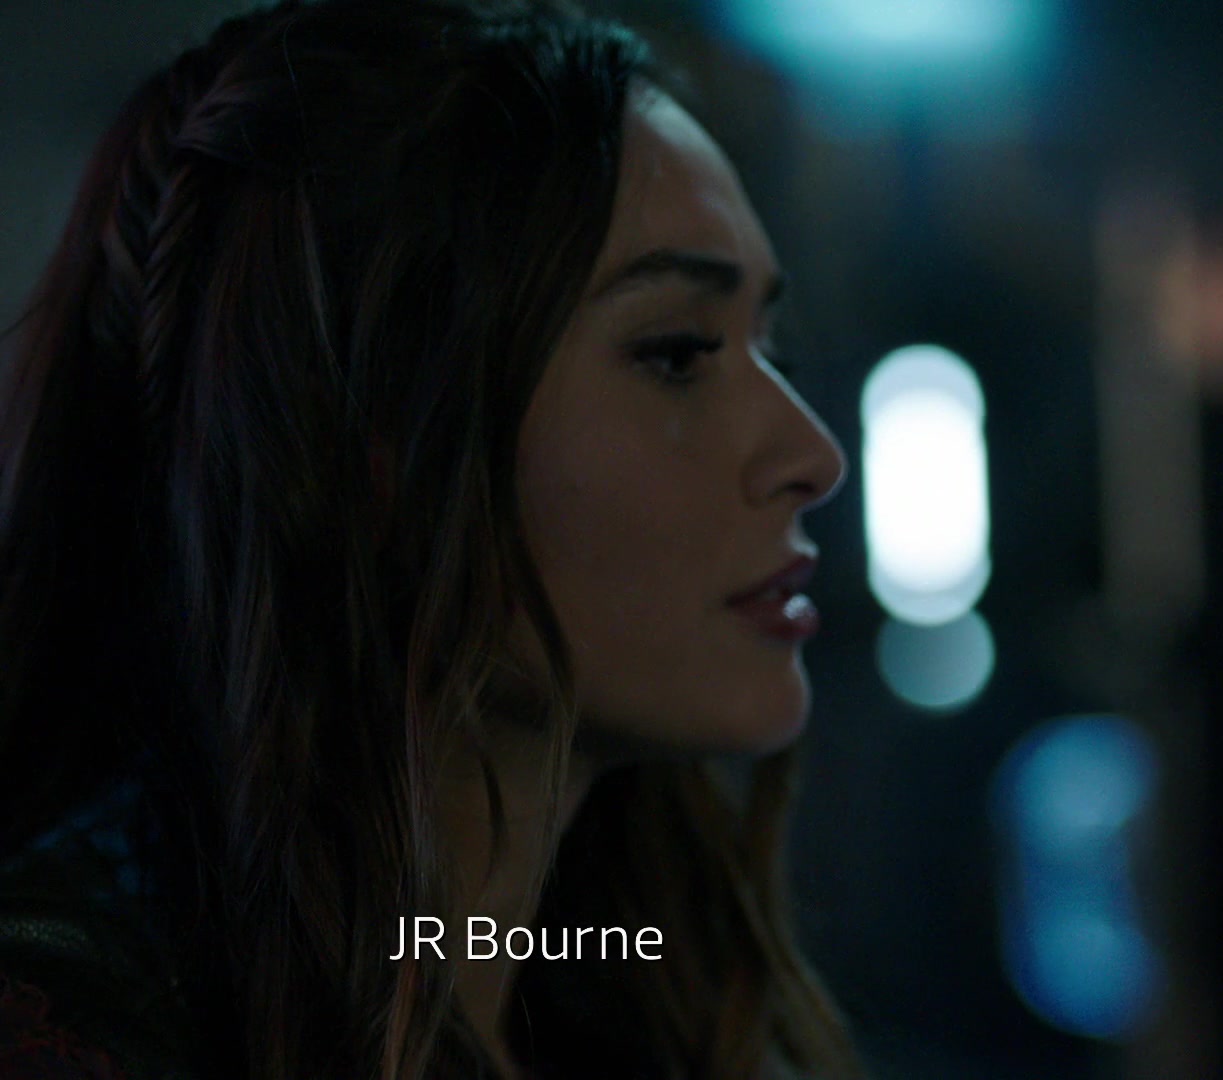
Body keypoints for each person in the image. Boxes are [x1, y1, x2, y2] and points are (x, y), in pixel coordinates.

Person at [0, 1, 863, 1077]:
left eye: (770, 348)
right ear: (366, 433)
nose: (812, 455)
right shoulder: (63, 1021)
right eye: (678, 352)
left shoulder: (627, 988)